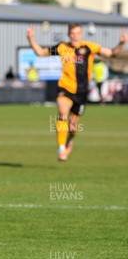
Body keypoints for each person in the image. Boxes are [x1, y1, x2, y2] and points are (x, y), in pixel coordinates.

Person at [27, 24, 126, 161]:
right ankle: (61, 148)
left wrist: (121, 43)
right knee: (62, 113)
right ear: (69, 34)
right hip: (65, 88)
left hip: (82, 92)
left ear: (81, 34)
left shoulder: (89, 47)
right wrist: (31, 38)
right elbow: (41, 53)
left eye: (78, 33)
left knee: (73, 128)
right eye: (72, 33)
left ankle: (69, 141)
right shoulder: (62, 48)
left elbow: (111, 54)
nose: (75, 36)